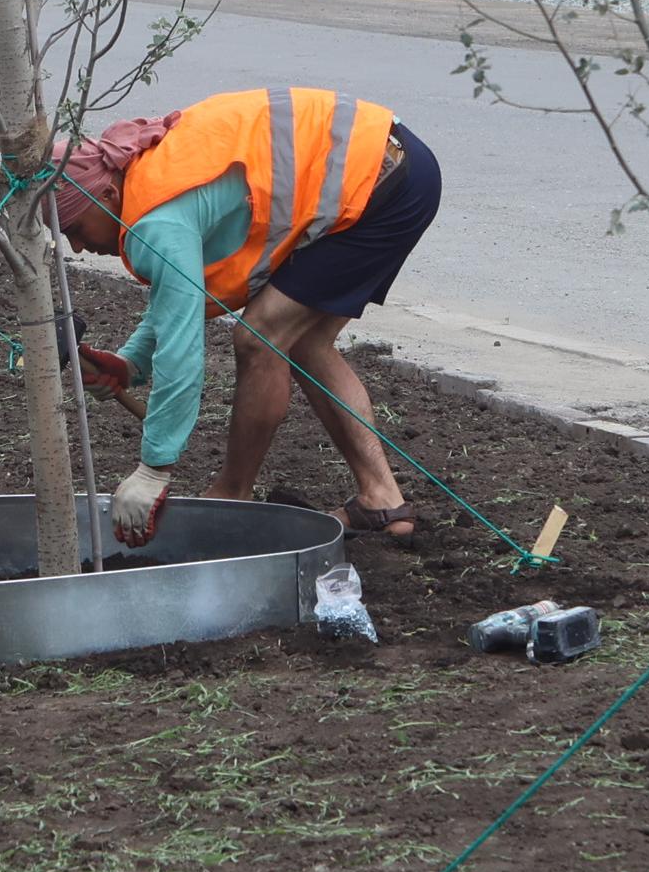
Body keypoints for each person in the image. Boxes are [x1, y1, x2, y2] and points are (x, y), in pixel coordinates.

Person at [48, 87, 441, 546]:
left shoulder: (156, 221)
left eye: (73, 228)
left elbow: (182, 352)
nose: (75, 246)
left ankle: (233, 493)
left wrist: (154, 468)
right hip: (393, 162)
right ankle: (381, 499)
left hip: (379, 182)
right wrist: (131, 363)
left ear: (108, 192)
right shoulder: (146, 177)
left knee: (261, 338)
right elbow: (181, 296)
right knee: (302, 341)